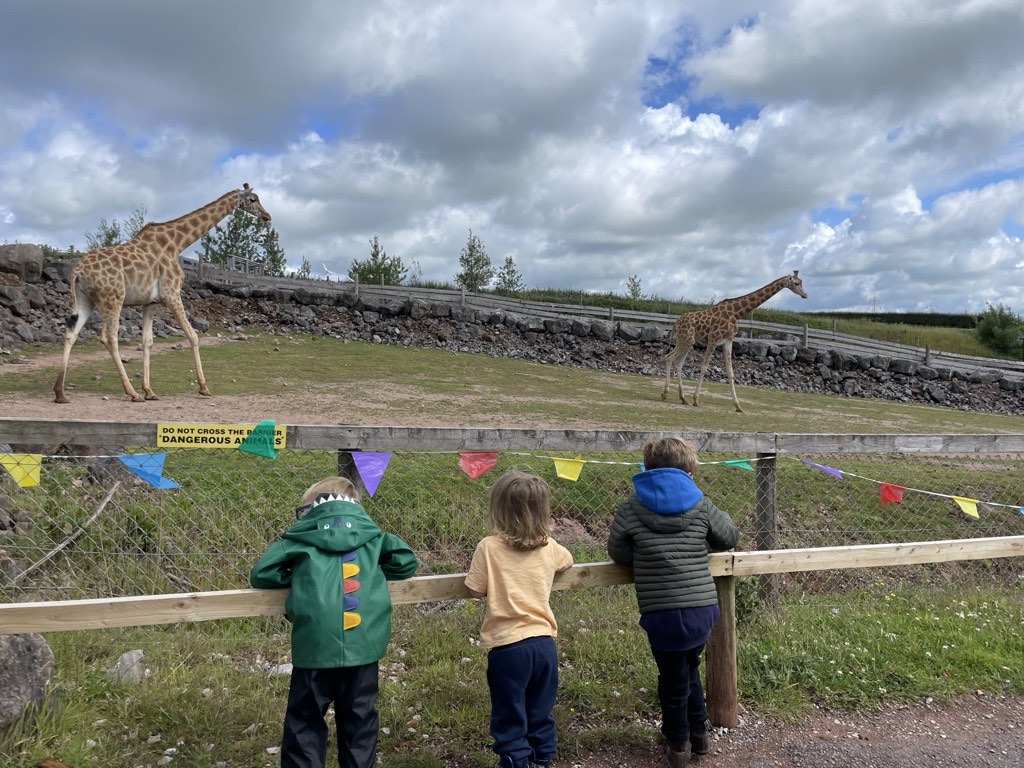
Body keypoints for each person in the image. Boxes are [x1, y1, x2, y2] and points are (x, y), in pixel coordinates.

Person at [250, 476, 418, 768]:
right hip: (364, 648)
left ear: (309, 510)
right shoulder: (373, 537)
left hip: (314, 647)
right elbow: (405, 562)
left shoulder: (300, 539)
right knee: (360, 719)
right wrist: (374, 562)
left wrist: (297, 576)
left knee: (305, 721)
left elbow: (262, 573)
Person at [607, 437, 739, 768]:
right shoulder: (701, 504)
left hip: (661, 611)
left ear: (648, 466)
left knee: (672, 677)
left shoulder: (630, 508)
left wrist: (643, 551)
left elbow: (619, 553)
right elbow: (727, 538)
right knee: (688, 667)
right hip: (701, 609)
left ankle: (678, 742)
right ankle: (699, 735)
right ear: (689, 468)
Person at [465, 470, 575, 768]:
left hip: (508, 646)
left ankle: (515, 760)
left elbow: (474, 590)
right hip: (543, 644)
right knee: (540, 710)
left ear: (497, 509)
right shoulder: (550, 546)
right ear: (543, 511)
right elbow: (568, 561)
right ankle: (542, 759)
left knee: (509, 712)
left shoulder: (488, 547)